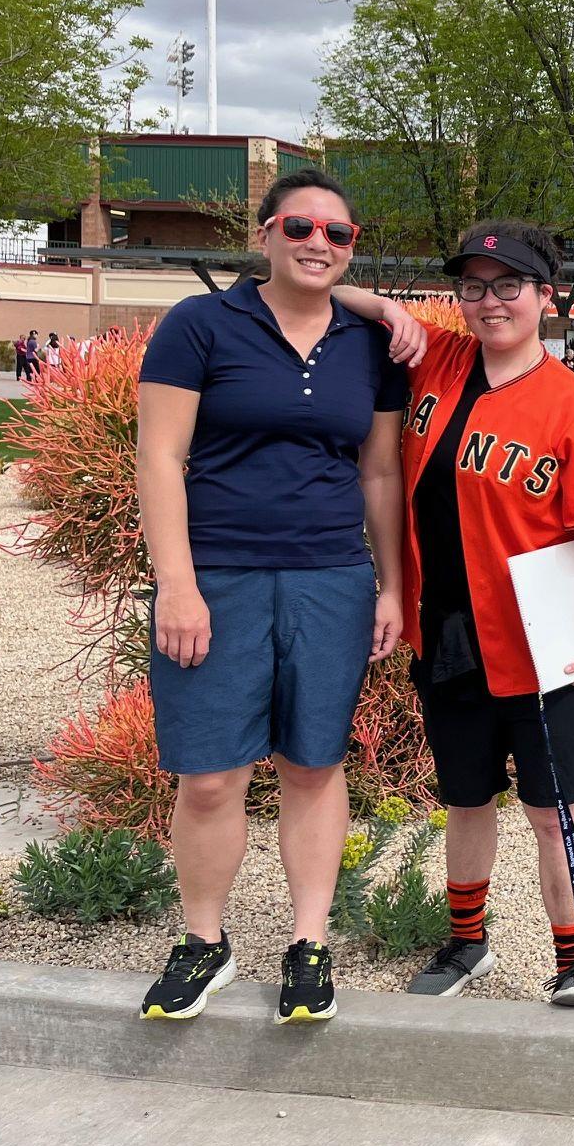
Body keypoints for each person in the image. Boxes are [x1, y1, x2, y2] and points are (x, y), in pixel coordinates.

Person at [135, 170, 421, 1024]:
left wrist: (392, 585)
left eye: (339, 234)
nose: (318, 244)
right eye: (300, 225)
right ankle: (203, 942)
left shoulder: (369, 347)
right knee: (212, 777)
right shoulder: (199, 326)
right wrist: (176, 586)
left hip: (330, 579)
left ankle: (308, 944)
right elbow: (160, 460)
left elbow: (379, 471)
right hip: (216, 581)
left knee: (313, 763)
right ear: (264, 233)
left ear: (352, 247)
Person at [334, 222, 574, 1008]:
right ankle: (467, 944)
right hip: (448, 634)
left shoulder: (573, 406)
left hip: (540, 644)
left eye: (508, 286)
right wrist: (392, 313)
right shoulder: (440, 356)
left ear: (544, 297)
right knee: (465, 799)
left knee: (550, 808)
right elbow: (328, 290)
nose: (490, 301)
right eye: (474, 285)